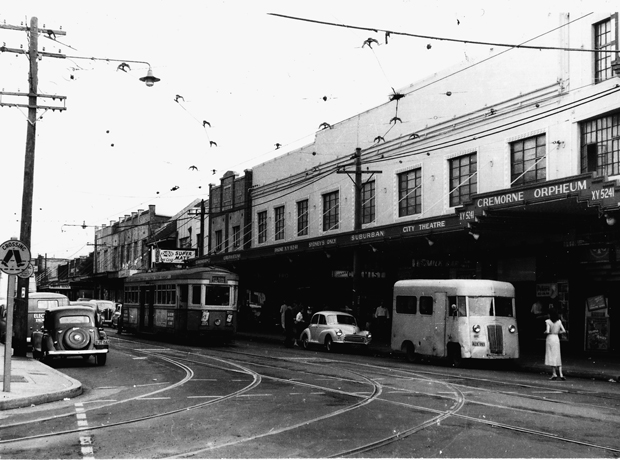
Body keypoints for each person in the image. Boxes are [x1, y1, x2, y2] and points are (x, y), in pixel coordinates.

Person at [545, 309, 566, 380]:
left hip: (550, 338)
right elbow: (564, 330)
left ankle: (554, 373)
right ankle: (561, 374)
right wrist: (557, 332)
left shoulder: (548, 321)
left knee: (551, 356)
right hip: (556, 338)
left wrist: (545, 332)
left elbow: (548, 331)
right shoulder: (559, 321)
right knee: (557, 355)